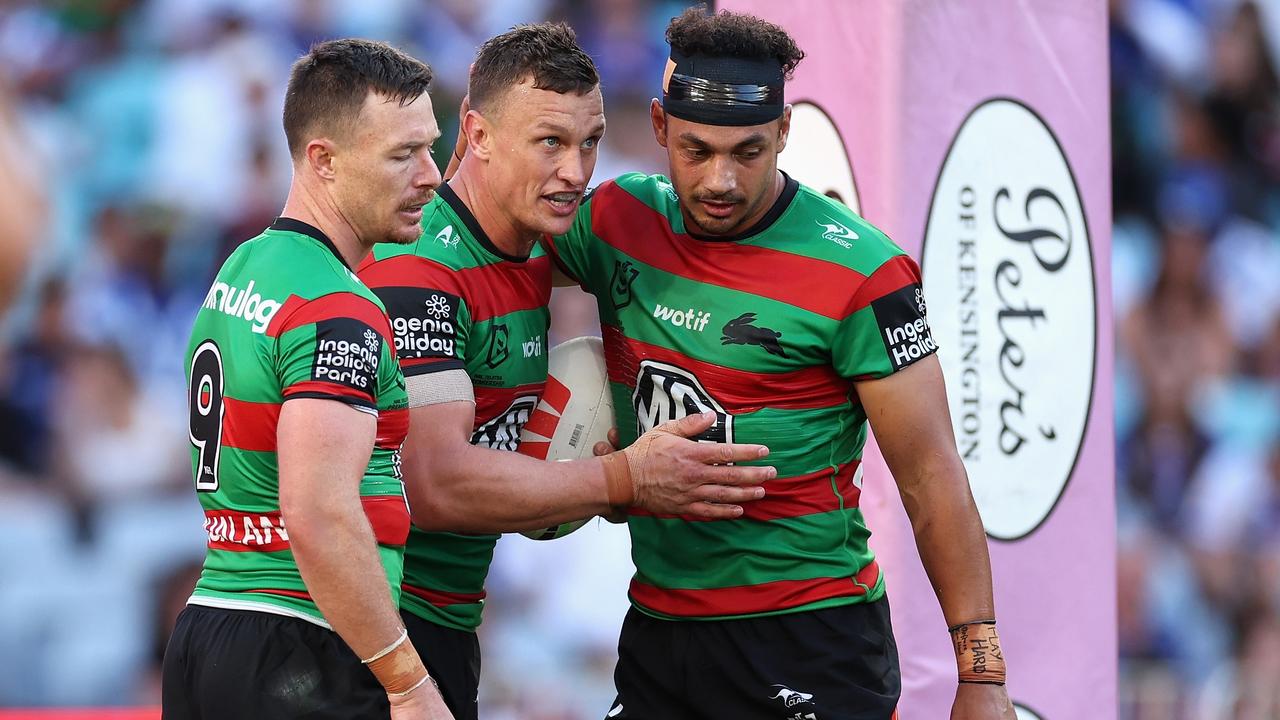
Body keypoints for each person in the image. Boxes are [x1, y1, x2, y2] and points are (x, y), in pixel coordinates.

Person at [538, 8, 1018, 719]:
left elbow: (932, 475)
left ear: (784, 133)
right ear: (662, 127)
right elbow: (492, 244)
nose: (721, 180)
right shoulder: (614, 220)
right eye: (697, 150)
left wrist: (981, 677)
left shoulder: (865, 273)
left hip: (811, 637)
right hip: (659, 633)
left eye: (750, 151)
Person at [357, 23, 776, 720]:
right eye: (549, 141)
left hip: (444, 625)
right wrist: (625, 480)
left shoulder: (532, 244)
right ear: (479, 135)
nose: (577, 171)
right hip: (374, 635)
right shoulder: (419, 267)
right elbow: (431, 482)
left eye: (590, 142)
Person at [161, 39, 453, 720]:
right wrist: (409, 684)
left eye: (429, 147)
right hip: (298, 649)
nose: (432, 175)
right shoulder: (338, 306)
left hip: (212, 628)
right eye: (402, 154)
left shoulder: (244, 266)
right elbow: (318, 512)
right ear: (323, 158)